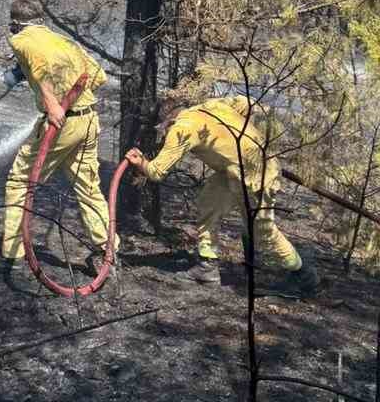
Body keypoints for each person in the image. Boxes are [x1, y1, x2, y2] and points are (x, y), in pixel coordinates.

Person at [124, 90, 319, 296]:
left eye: (161, 128)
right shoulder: (211, 105)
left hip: (257, 174)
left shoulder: (181, 129)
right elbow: (246, 103)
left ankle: (303, 275)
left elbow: (156, 172)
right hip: (232, 171)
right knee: (209, 205)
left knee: (263, 230)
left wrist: (141, 163)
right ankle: (207, 266)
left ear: (166, 120)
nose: (161, 133)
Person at [0, 0, 116, 281]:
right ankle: (108, 252)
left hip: (61, 123)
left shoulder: (22, 40)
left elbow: (35, 63)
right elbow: (98, 76)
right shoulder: (64, 42)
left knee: (20, 182)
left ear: (16, 24)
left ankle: (15, 255)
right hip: (88, 120)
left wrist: (51, 101)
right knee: (88, 189)